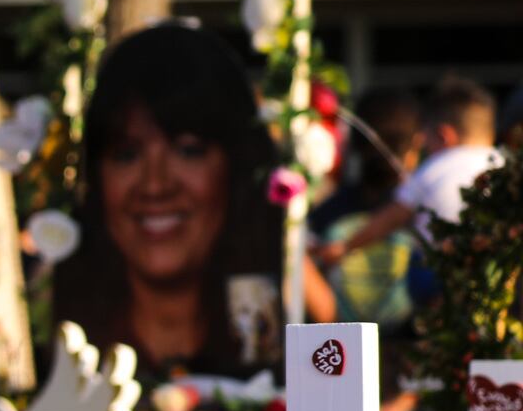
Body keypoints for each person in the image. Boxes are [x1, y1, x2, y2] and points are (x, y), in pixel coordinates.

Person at [52, 22, 283, 376]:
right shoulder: (34, 336)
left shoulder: (295, 317)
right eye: (127, 154)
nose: (155, 185)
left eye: (188, 151)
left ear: (236, 167)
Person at [314, 75, 507, 277]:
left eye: (427, 138)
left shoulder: (434, 169)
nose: (422, 144)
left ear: (444, 136)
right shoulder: (503, 164)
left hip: (443, 276)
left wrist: (345, 247)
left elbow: (391, 218)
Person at [310, 86, 423, 329]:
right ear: (416, 142)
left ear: (353, 142)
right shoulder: (425, 213)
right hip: (416, 352)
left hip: (339, 353)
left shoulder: (326, 211)